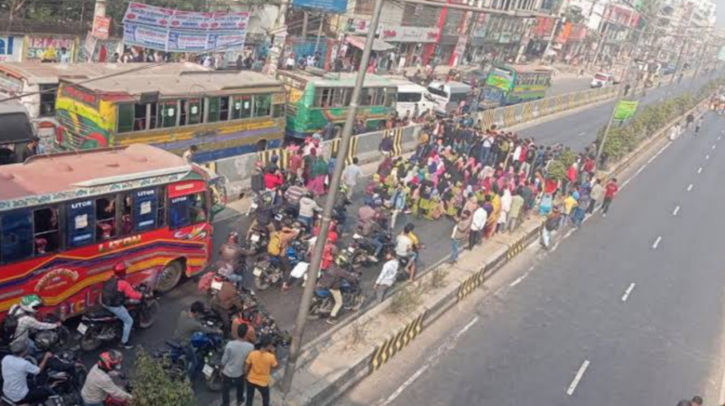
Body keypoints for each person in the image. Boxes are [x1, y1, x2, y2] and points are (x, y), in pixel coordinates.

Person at [174, 301, 223, 380]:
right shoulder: (195, 324)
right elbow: (205, 330)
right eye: (199, 313)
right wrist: (217, 331)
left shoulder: (183, 313)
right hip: (185, 343)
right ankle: (188, 379)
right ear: (196, 313)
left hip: (177, 336)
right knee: (194, 361)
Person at [101, 262, 142, 349]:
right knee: (129, 321)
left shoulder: (108, 277)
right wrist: (141, 295)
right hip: (114, 306)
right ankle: (125, 342)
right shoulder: (123, 283)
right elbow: (132, 295)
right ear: (123, 272)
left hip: (103, 302)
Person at [221, 324, 254, 406]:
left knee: (225, 390)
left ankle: (225, 404)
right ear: (246, 334)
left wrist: (222, 369)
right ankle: (239, 401)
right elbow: (249, 361)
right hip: (239, 373)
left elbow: (223, 361)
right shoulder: (250, 347)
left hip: (227, 373)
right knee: (240, 388)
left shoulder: (230, 344)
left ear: (237, 332)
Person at [244, 336, 278, 406]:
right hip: (263, 383)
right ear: (268, 346)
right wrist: (274, 353)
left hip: (251, 380)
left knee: (249, 398)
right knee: (266, 398)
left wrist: (246, 376)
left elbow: (245, 368)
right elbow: (276, 366)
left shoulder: (252, 353)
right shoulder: (270, 357)